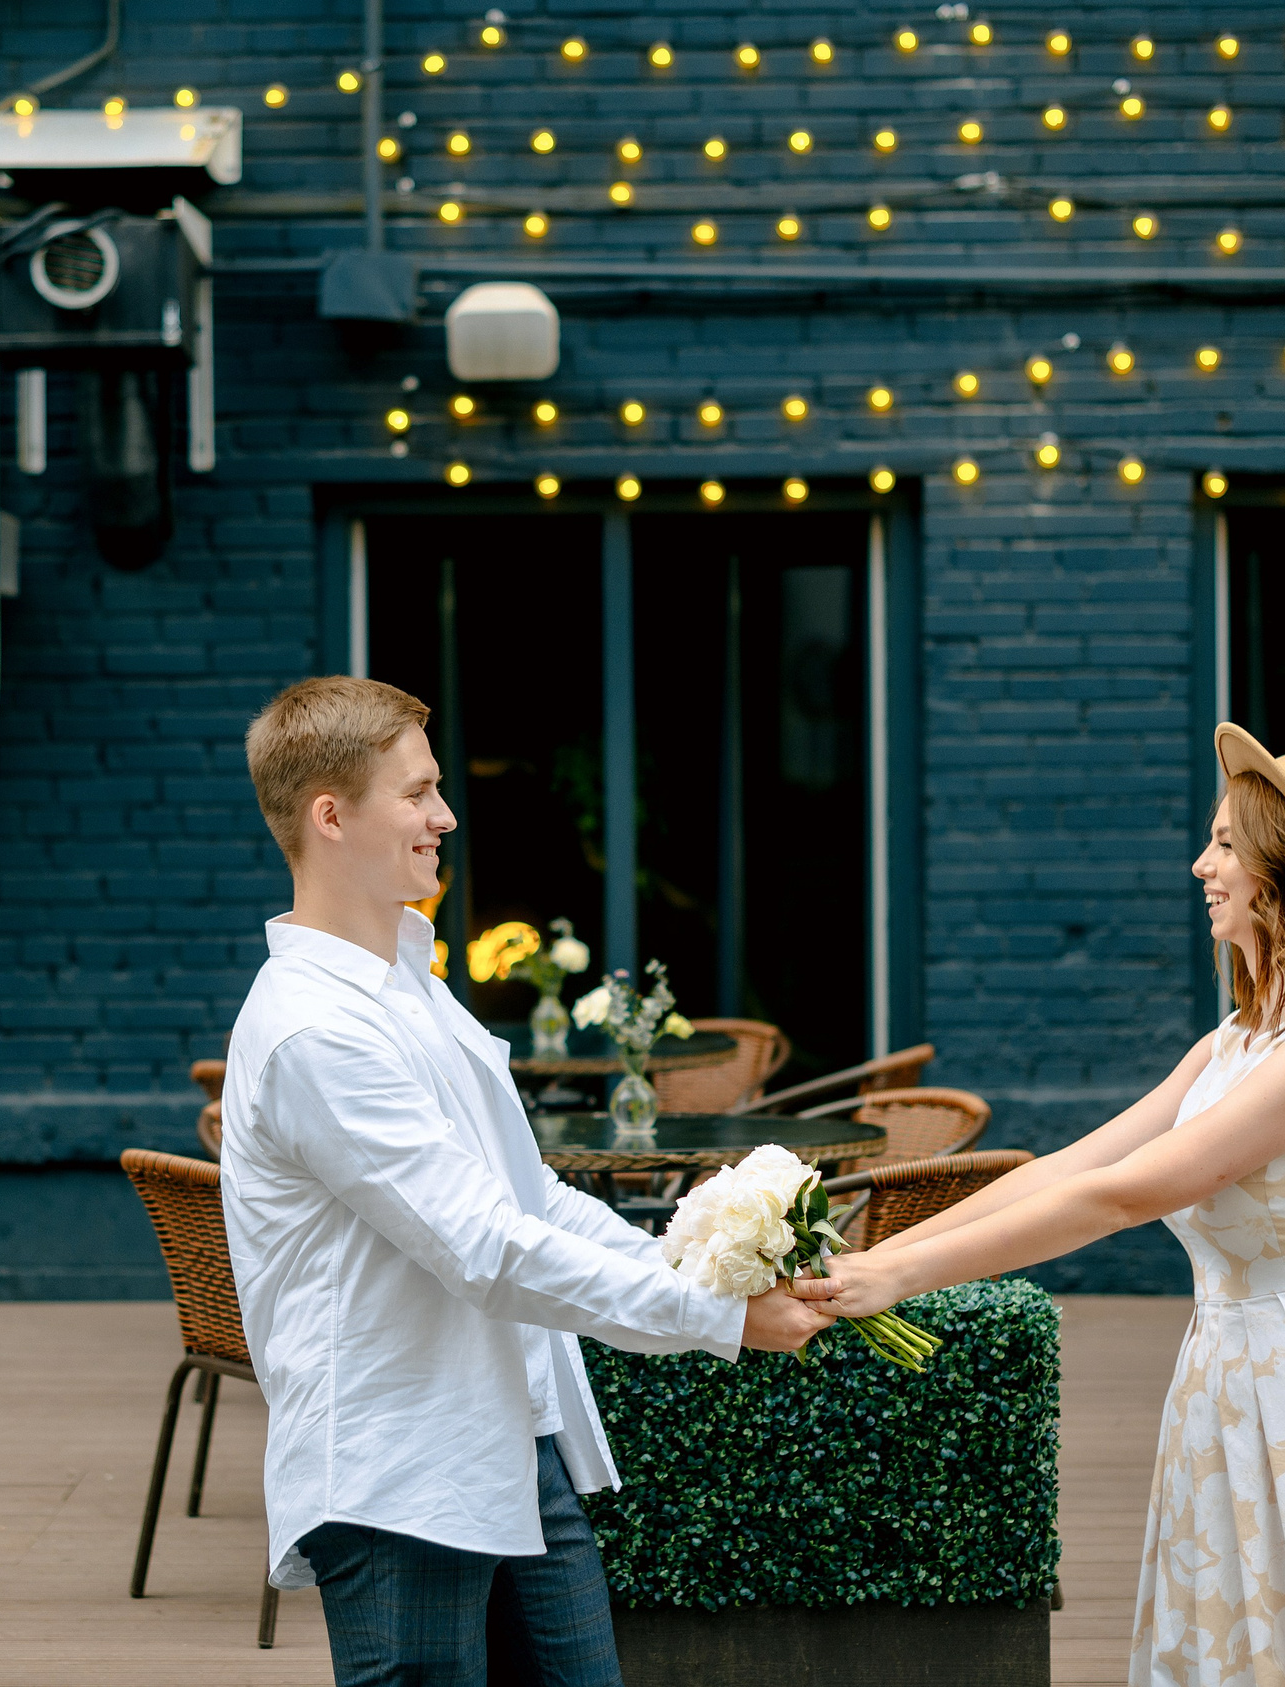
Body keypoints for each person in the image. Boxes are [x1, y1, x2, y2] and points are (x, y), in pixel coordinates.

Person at [793, 722, 1285, 1687]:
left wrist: (900, 1275)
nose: (1203, 864)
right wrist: (869, 1254)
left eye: (1227, 844)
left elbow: (1126, 1192)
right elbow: (1064, 1168)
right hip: (1241, 1380)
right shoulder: (1235, 1042)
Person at [222, 675, 833, 1687]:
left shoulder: (412, 985)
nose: (445, 815)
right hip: (400, 1473)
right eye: (417, 792)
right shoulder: (313, 1030)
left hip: (512, 1430)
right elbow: (487, 1246)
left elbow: (527, 1197)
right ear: (330, 816)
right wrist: (715, 1315)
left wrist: (699, 1268)